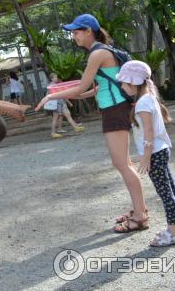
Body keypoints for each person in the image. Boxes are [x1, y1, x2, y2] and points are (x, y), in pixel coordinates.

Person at [36, 14, 148, 233]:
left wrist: (51, 97)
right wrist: (79, 95)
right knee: (126, 163)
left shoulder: (97, 53)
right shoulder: (104, 51)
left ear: (89, 31)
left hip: (114, 110)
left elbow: (81, 86)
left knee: (122, 164)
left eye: (76, 32)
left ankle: (141, 216)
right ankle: (139, 209)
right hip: (116, 107)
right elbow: (98, 86)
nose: (73, 36)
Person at [116, 60, 175, 246]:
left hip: (154, 153)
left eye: (124, 82)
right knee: (170, 188)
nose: (123, 86)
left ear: (134, 82)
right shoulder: (149, 98)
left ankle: (173, 233)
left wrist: (145, 157)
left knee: (165, 193)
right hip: (161, 150)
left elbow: (148, 133)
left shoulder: (142, 104)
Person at [47, 73, 84, 138]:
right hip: (57, 104)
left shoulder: (55, 85)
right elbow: (54, 95)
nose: (56, 78)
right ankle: (53, 133)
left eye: (56, 77)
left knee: (68, 114)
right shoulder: (52, 86)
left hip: (61, 103)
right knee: (55, 118)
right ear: (52, 78)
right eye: (55, 77)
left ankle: (75, 127)